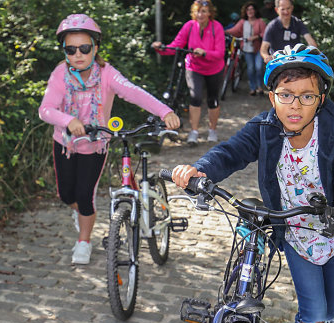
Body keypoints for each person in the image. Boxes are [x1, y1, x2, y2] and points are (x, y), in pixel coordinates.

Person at [171, 44, 334, 323]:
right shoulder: (264, 130)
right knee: (314, 313)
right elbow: (230, 152)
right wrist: (200, 169)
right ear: (271, 97)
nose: (295, 105)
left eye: (307, 96)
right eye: (286, 94)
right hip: (293, 232)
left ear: (321, 99)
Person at [39, 14, 180, 265]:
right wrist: (68, 121)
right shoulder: (60, 73)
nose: (78, 54)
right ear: (64, 51)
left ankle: (84, 240)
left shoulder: (106, 73)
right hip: (65, 143)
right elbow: (46, 109)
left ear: (95, 48)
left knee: (85, 195)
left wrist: (164, 111)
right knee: (65, 194)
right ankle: (82, 214)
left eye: (84, 48)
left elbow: (133, 92)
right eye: (71, 50)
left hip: (95, 146)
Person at [151, 0, 225, 145]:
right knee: (195, 97)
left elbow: (220, 53)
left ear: (210, 13)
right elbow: (176, 45)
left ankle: (212, 130)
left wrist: (205, 53)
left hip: (214, 68)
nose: (200, 14)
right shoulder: (189, 26)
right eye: (198, 11)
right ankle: (194, 131)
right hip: (194, 66)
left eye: (203, 11)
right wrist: (161, 48)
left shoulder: (217, 27)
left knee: (213, 100)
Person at [226, 1, 266, 95]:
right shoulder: (242, 22)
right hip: (247, 50)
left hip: (258, 49)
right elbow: (234, 30)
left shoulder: (260, 22)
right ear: (245, 11)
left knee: (259, 67)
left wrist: (255, 37)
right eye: (248, 9)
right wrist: (224, 31)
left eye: (252, 9)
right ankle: (252, 88)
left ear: (255, 11)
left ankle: (259, 87)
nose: (250, 11)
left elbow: (265, 34)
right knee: (251, 69)